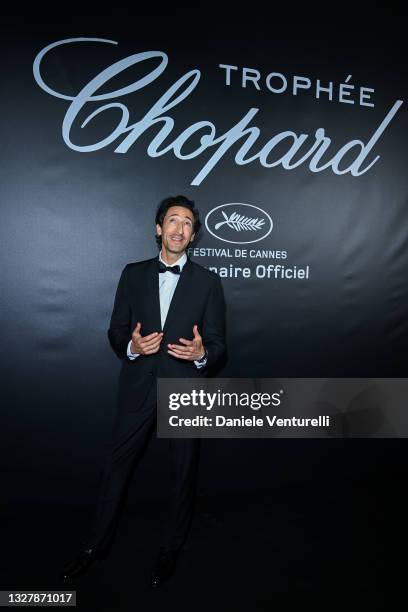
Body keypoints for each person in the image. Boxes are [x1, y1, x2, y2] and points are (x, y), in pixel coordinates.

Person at [61, 195, 227, 588]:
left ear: (193, 235)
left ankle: (170, 548)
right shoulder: (132, 274)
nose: (179, 229)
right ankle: (94, 547)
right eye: (173, 220)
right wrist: (133, 347)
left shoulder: (208, 282)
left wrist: (203, 354)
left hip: (185, 388)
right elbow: (117, 330)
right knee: (116, 466)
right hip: (137, 388)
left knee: (182, 473)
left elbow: (219, 346)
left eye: (187, 223)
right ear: (159, 228)